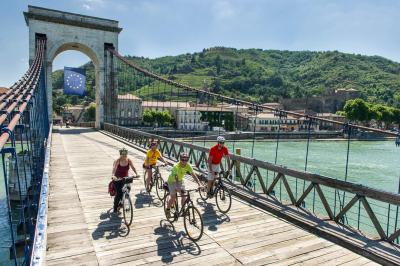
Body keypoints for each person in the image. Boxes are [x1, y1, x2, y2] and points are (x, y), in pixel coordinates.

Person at [165, 152, 201, 218]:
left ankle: (183, 210)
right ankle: (167, 210)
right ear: (180, 159)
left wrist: (199, 184)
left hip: (180, 180)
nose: (184, 161)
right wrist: (177, 187)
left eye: (186, 160)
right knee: (173, 197)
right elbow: (175, 178)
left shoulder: (188, 165)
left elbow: (193, 175)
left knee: (184, 195)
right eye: (183, 159)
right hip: (172, 181)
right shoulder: (176, 166)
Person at [111, 148, 139, 213]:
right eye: (123, 155)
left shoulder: (129, 160)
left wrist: (136, 173)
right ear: (120, 154)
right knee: (119, 193)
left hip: (126, 178)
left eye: (125, 154)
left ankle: (122, 201)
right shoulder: (117, 161)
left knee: (128, 188)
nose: (124, 156)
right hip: (117, 178)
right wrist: (113, 175)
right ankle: (115, 207)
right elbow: (114, 168)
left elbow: (133, 167)